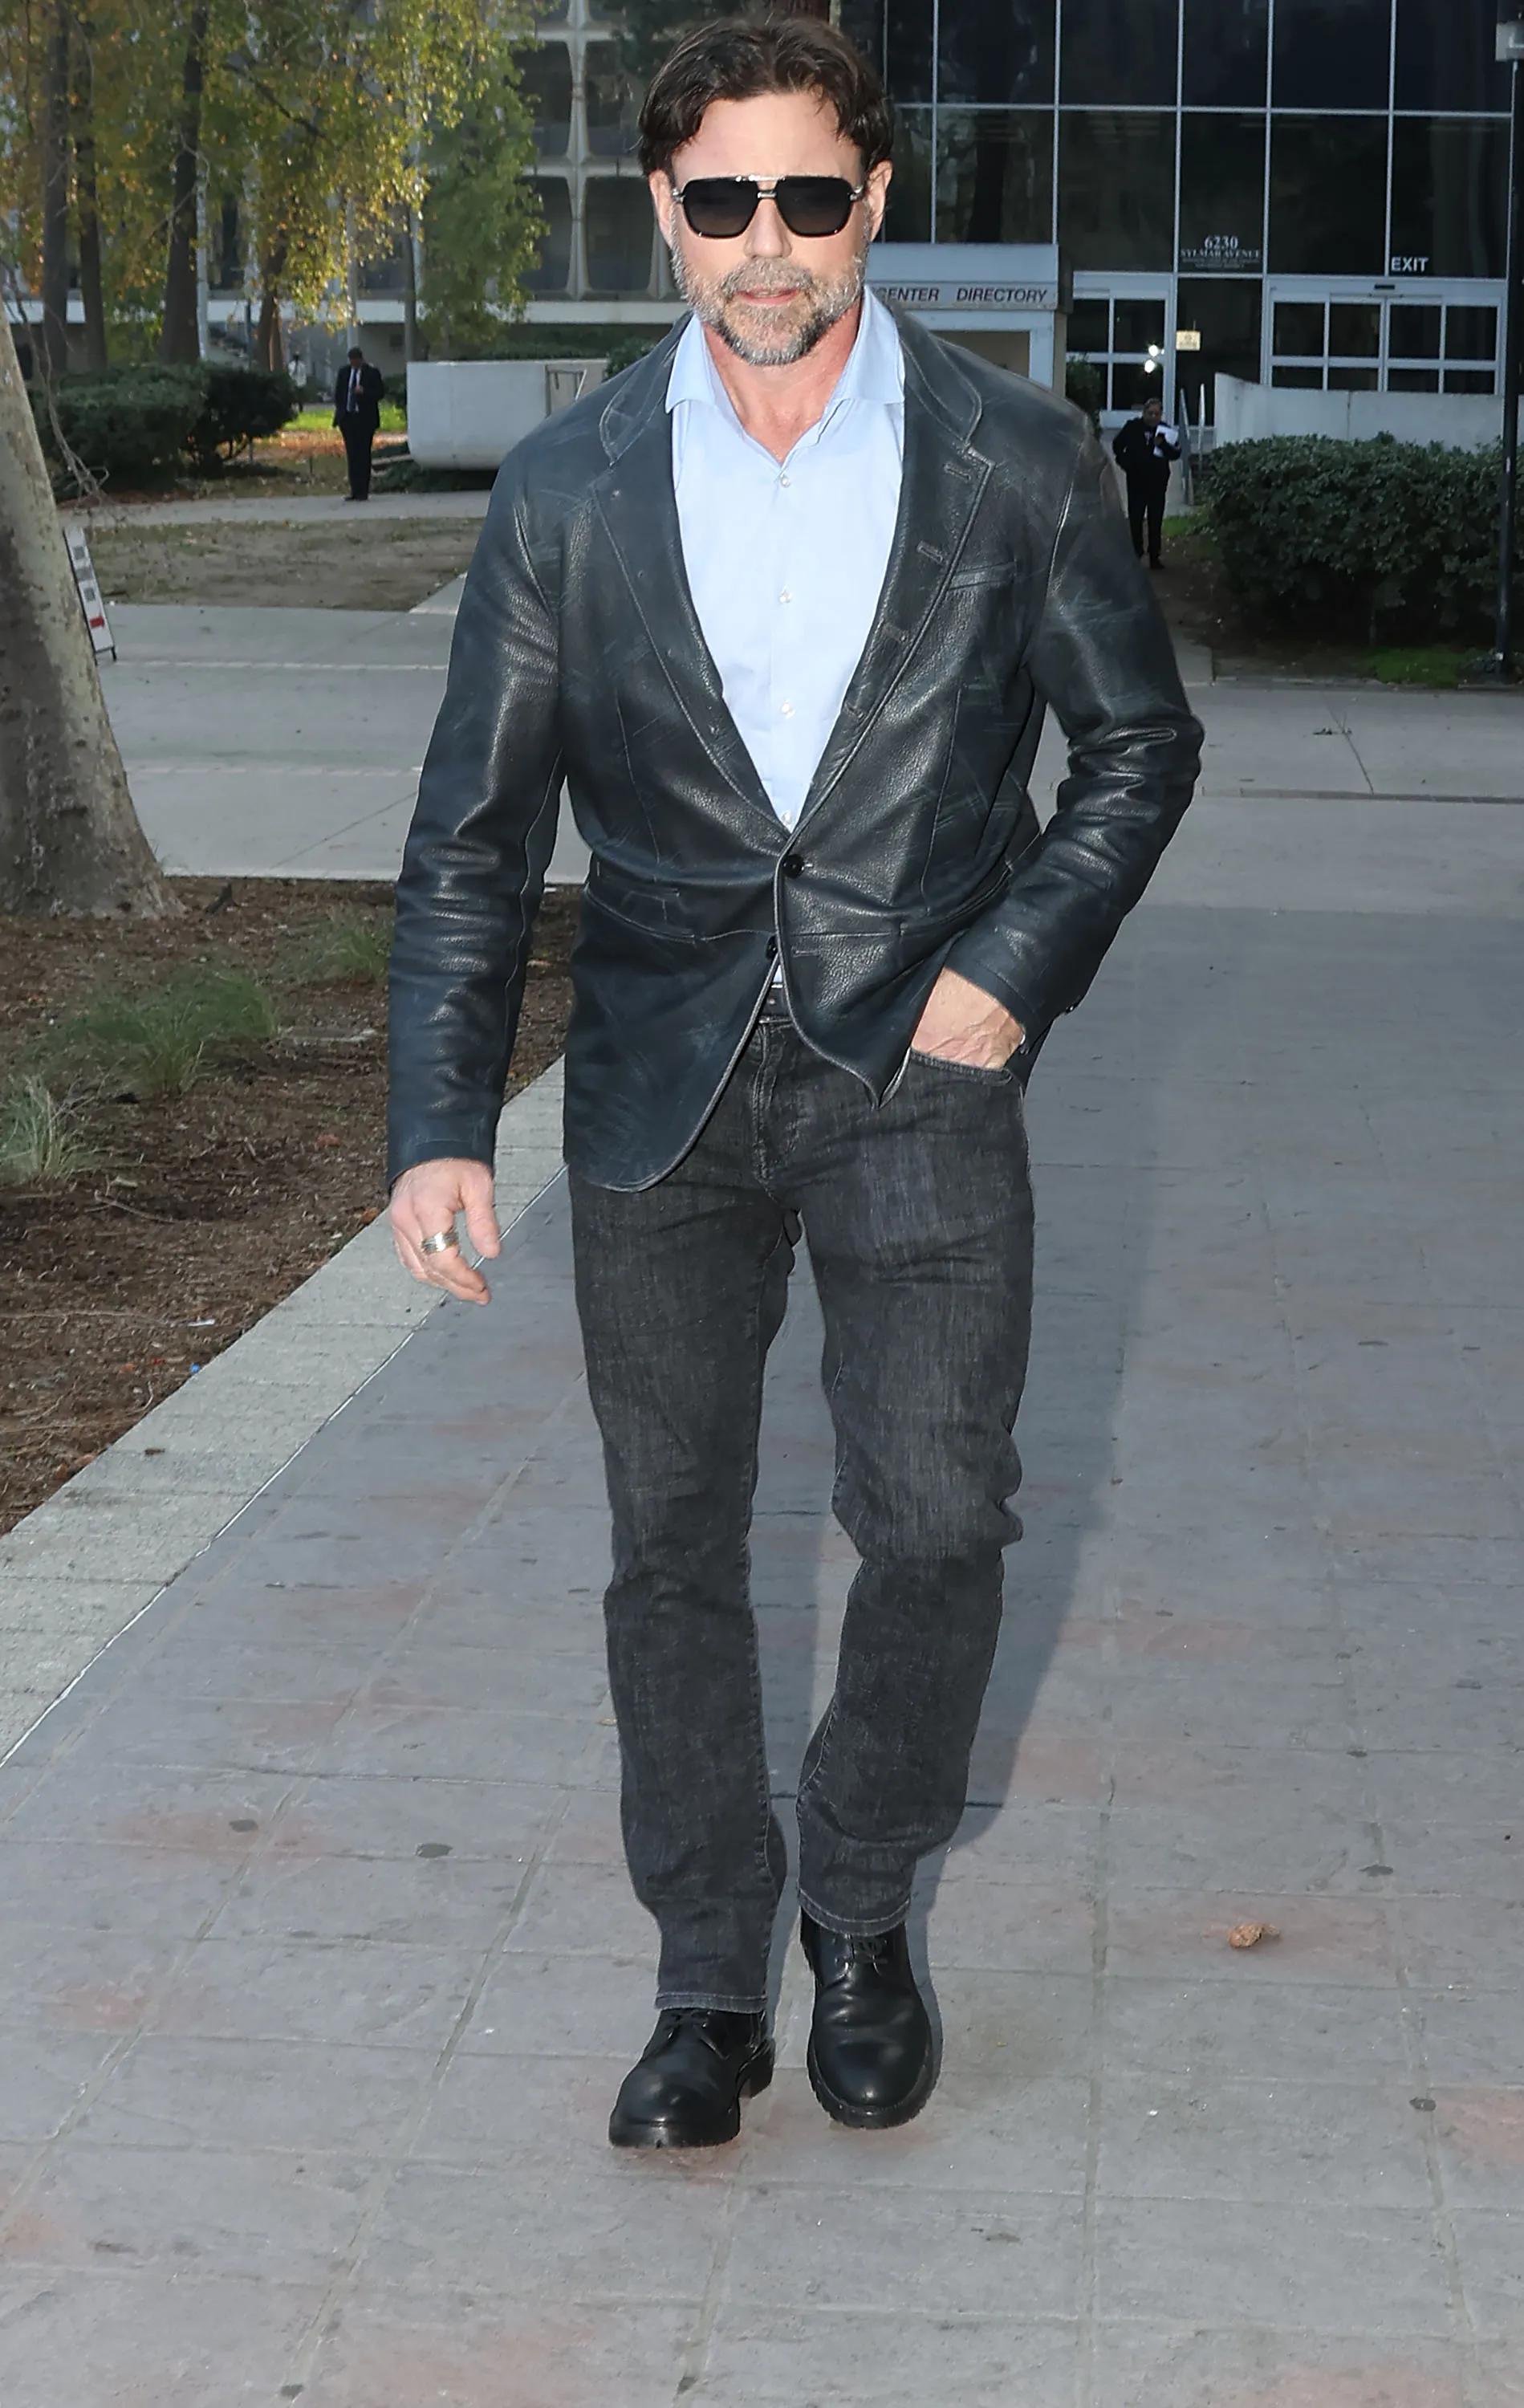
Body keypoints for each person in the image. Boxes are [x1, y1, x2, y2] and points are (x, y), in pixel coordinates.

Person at [387, 13, 1201, 2151]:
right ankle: (698, 1988)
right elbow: (474, 829)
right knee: (668, 1550)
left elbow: (1136, 745)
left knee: (936, 1521)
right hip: (659, 1090)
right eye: (723, 201)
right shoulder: (567, 486)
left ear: (875, 203)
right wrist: (440, 1125)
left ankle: (857, 1913)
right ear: (663, 208)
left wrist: (1010, 975)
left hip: (918, 1072)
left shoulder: (1017, 462)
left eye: (810, 199)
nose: (768, 248)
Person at [1112, 393, 1180, 569]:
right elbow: (1117, 446)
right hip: (1136, 481)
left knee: (1155, 520)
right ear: (1144, 413)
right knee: (1135, 518)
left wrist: (1162, 444)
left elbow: (1176, 453)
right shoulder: (1132, 428)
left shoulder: (1165, 431)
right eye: (1150, 413)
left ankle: (1154, 556)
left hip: (1157, 482)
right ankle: (1136, 552)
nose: (1153, 417)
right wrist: (1125, 464)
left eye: (1157, 414)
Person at [332, 344, 384, 500]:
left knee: (363, 454)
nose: (354, 364)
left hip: (365, 419)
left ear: (361, 360)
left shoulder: (371, 373)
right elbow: (338, 393)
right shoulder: (344, 373)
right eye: (352, 361)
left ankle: (364, 490)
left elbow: (380, 393)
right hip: (348, 418)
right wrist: (341, 411)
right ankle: (354, 489)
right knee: (352, 455)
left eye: (356, 361)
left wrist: (365, 392)